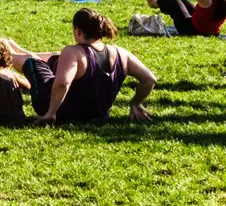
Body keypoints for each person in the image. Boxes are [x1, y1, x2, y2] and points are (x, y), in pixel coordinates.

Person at [18, 9, 157, 125]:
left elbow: (62, 84)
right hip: (98, 115)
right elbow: (149, 79)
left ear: (77, 31)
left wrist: (50, 113)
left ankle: (4, 56)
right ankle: (8, 48)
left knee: (30, 60)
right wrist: (135, 103)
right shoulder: (121, 53)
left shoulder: (72, 52)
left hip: (61, 111)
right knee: (55, 58)